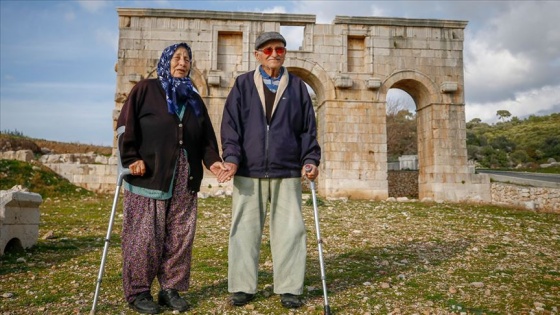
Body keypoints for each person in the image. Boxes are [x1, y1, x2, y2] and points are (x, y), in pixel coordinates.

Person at [116, 42, 226, 314]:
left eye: (187, 59)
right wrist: (131, 159)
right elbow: (123, 127)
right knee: (144, 236)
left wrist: (215, 164)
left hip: (184, 177)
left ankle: (170, 289)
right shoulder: (145, 90)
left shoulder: (194, 99)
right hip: (148, 175)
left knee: (180, 235)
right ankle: (139, 292)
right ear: (165, 61)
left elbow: (206, 141)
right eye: (177, 57)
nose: (182, 62)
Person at [220, 31, 321, 309]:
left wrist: (310, 160)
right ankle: (242, 286)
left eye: (279, 49)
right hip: (248, 170)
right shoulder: (242, 85)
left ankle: (289, 287)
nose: (274, 54)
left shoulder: (298, 87)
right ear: (257, 55)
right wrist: (231, 158)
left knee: (291, 231)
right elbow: (230, 127)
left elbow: (307, 131)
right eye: (268, 50)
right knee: (243, 231)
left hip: (287, 170)